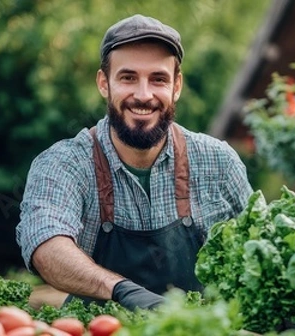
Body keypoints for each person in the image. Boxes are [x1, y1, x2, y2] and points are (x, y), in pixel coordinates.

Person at [16, 14, 253, 311]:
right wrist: (121, 290)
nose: (144, 95)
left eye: (158, 79)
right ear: (104, 83)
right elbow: (46, 245)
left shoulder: (218, 163)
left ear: (176, 86)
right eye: (128, 78)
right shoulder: (64, 164)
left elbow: (258, 253)